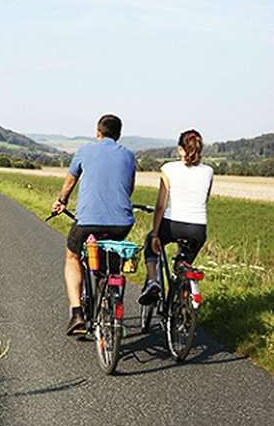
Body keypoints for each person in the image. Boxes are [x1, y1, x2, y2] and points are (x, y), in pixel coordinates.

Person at [53, 114, 136, 335]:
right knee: (112, 262)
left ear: (98, 133)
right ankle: (109, 299)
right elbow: (129, 188)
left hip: (88, 221)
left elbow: (70, 181)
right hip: (121, 222)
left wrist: (62, 201)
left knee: (72, 257)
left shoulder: (84, 150)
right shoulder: (129, 155)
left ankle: (77, 313)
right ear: (118, 136)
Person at [138, 129, 214, 305]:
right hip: (198, 229)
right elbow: (204, 199)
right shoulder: (209, 171)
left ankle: (153, 281)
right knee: (183, 265)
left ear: (180, 148)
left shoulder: (168, 169)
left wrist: (156, 234)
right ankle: (178, 302)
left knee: (150, 241)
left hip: (172, 225)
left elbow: (160, 205)